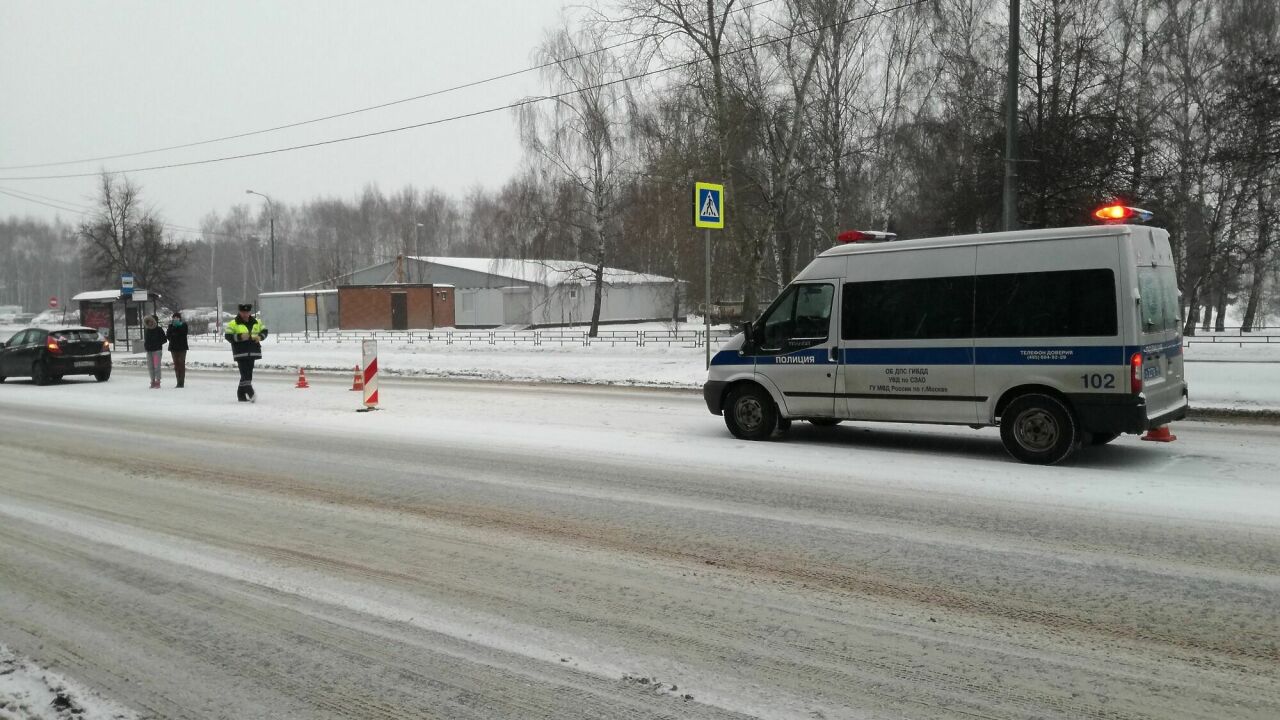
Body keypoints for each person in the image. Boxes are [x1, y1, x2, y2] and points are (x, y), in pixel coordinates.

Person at [224, 303, 268, 402]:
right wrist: (240, 337)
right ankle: (250, 393)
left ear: (249, 312)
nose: (245, 314)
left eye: (247, 312)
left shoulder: (257, 322)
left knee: (248, 374)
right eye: (243, 312)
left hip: (253, 351)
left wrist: (260, 337)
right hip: (240, 353)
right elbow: (228, 336)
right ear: (239, 312)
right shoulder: (233, 323)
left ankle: (241, 395)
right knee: (245, 374)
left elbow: (265, 331)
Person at [142, 315, 167, 389]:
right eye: (148, 322)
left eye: (151, 321)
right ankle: (152, 381)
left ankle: (158, 381)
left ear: (154, 321)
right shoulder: (147, 330)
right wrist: (146, 346)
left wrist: (157, 343)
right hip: (149, 351)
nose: (150, 323)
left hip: (156, 351)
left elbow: (164, 339)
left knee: (156, 366)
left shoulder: (159, 329)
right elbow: (146, 340)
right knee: (150, 367)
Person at [166, 311, 189, 388]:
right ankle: (177, 381)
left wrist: (178, 327)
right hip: (173, 348)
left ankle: (181, 382)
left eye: (177, 318)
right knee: (176, 365)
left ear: (179, 318)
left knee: (181, 364)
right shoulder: (170, 326)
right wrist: (173, 329)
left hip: (182, 348)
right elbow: (168, 335)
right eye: (174, 318)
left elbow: (184, 333)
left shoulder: (184, 325)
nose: (175, 319)